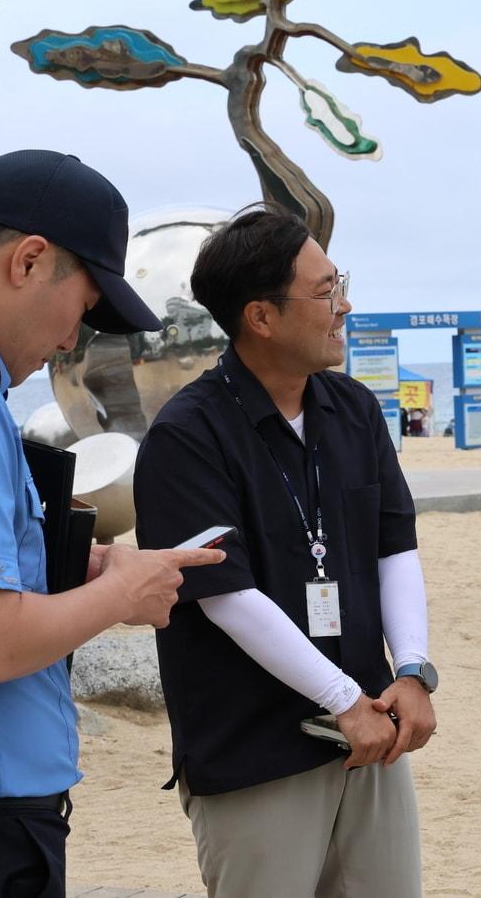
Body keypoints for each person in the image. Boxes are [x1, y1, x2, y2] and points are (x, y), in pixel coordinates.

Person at [0, 149, 224, 897]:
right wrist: (121, 594)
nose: (72, 340)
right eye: (85, 304)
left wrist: (58, 569)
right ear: (29, 260)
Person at [133, 206, 437, 898]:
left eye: (340, 283)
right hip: (255, 754)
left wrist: (414, 670)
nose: (345, 305)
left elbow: (396, 547)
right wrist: (342, 699)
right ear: (260, 317)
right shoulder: (187, 436)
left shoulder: (353, 409)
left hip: (372, 740)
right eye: (325, 290)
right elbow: (225, 597)